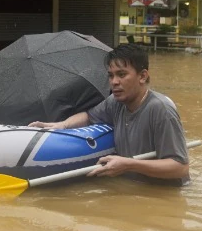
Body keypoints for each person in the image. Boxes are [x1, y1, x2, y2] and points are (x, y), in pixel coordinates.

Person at [29, 44, 190, 185]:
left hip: (163, 195)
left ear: (142, 76)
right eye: (111, 75)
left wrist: (129, 165)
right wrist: (62, 125)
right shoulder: (115, 102)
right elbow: (88, 116)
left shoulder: (161, 110)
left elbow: (180, 167)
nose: (114, 82)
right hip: (132, 189)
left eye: (121, 74)